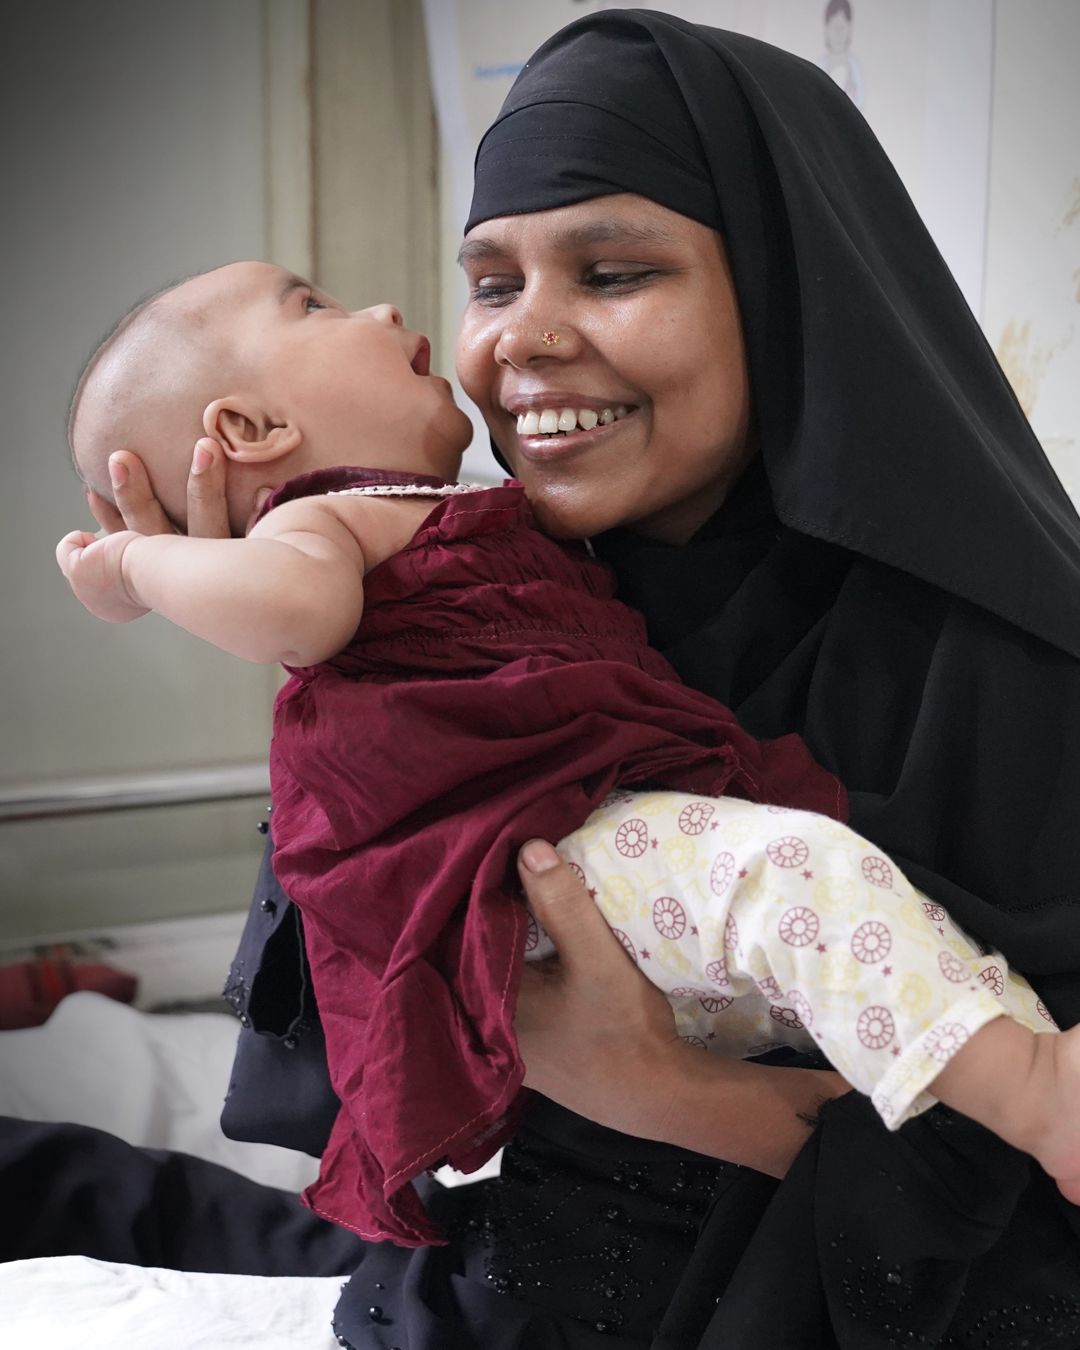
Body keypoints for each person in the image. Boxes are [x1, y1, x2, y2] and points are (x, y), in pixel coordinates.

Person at [16, 9, 1080, 1348]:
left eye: (614, 272)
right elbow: (375, 1033)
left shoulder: (994, 675)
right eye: (492, 283)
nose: (522, 340)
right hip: (491, 1278)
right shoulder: (506, 592)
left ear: (783, 291)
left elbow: (1031, 1251)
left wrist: (661, 1091)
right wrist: (293, 619)